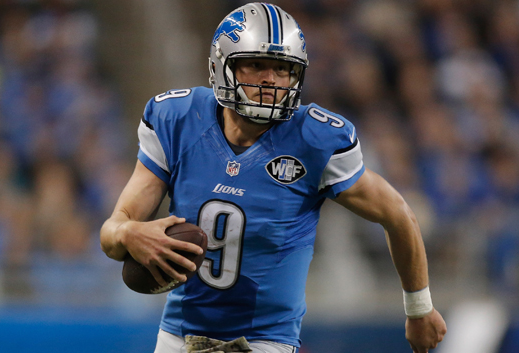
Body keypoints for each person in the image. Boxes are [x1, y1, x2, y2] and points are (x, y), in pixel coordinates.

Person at [100, 3, 447, 353]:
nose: (271, 79)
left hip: (265, 343)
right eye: (256, 65)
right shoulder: (177, 120)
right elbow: (112, 233)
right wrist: (131, 233)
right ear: (223, 65)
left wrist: (419, 308)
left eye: (283, 68)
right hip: (178, 338)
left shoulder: (314, 139)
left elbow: (398, 214)